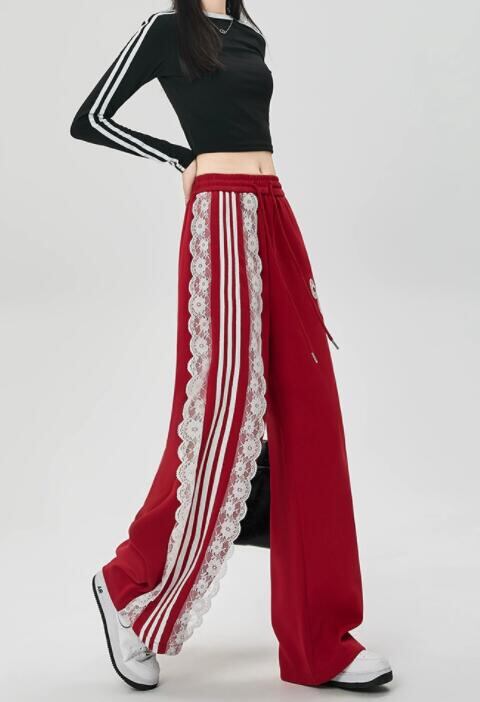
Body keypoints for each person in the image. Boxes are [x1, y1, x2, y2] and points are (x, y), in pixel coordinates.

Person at [70, 0, 393, 692]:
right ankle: (127, 589)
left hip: (273, 206)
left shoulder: (249, 32)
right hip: (219, 215)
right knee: (220, 417)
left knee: (310, 413)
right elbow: (91, 116)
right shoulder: (167, 29)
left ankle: (319, 640)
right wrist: (178, 157)